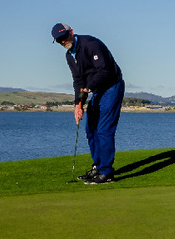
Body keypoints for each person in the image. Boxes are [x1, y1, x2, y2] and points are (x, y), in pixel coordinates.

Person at [51, 23, 125, 184]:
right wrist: (77, 105)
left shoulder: (91, 44)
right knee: (90, 129)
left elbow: (104, 71)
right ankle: (98, 166)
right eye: (59, 40)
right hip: (97, 90)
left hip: (112, 86)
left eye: (64, 37)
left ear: (71, 32)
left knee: (104, 129)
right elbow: (78, 81)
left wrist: (87, 89)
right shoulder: (69, 56)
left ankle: (106, 172)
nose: (63, 41)